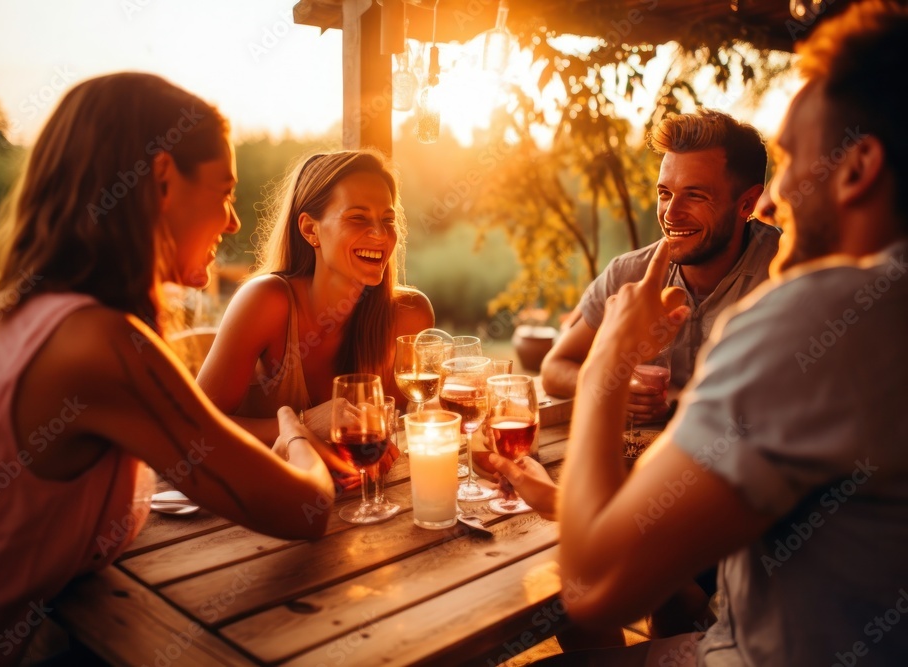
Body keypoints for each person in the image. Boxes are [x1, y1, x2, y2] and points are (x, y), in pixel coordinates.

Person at [498, 1, 908, 664]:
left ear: (857, 167)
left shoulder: (814, 313)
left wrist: (610, 358)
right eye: (664, 192)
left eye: (796, 158)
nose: (778, 197)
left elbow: (595, 585)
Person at [0, 73, 335, 667]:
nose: (234, 221)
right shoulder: (94, 347)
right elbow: (307, 511)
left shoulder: (18, 313)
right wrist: (296, 431)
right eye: (226, 191)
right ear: (162, 178)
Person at [540, 109, 780, 424]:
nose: (670, 214)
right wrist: (614, 387)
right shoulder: (628, 274)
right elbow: (554, 367)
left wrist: (678, 404)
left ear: (747, 204)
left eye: (695, 195)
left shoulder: (788, 272)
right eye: (665, 193)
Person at [196, 149, 434, 446]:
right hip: (258, 489)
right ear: (310, 229)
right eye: (358, 217)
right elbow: (195, 428)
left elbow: (393, 432)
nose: (379, 234)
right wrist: (305, 426)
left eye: (388, 220)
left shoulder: (408, 315)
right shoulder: (266, 302)